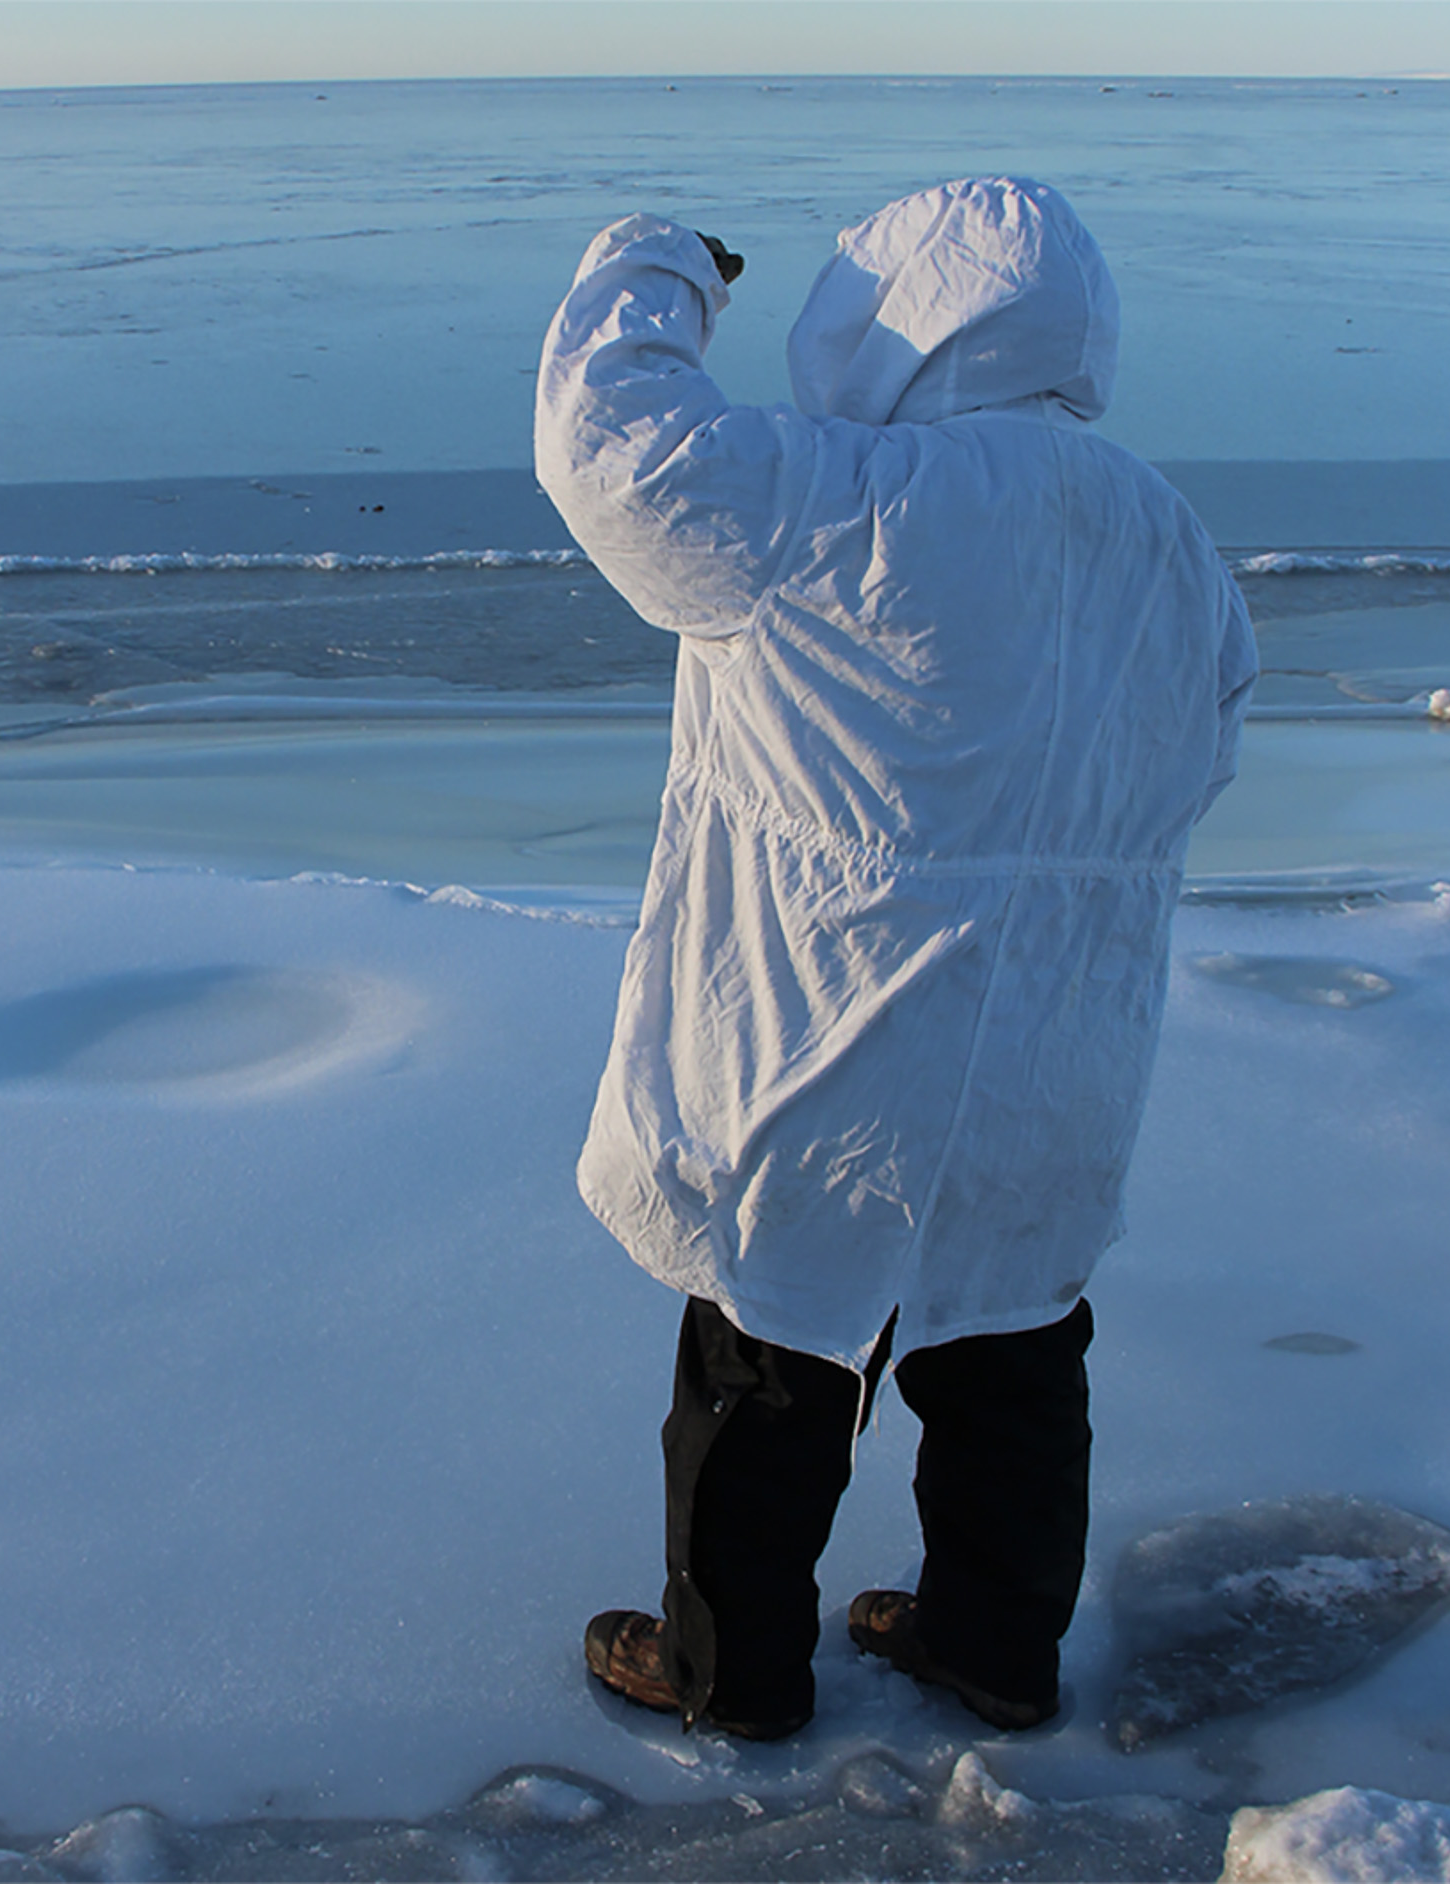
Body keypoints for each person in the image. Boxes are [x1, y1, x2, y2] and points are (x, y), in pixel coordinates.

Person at [533, 179, 1257, 1742]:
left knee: (771, 1355)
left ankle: (733, 1675)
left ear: (902, 314)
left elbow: (611, 449)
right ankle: (995, 1649)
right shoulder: (1166, 535)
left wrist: (656, 262)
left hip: (826, 1033)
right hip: (1060, 1049)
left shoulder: (830, 498)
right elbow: (1203, 751)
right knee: (1013, 1349)